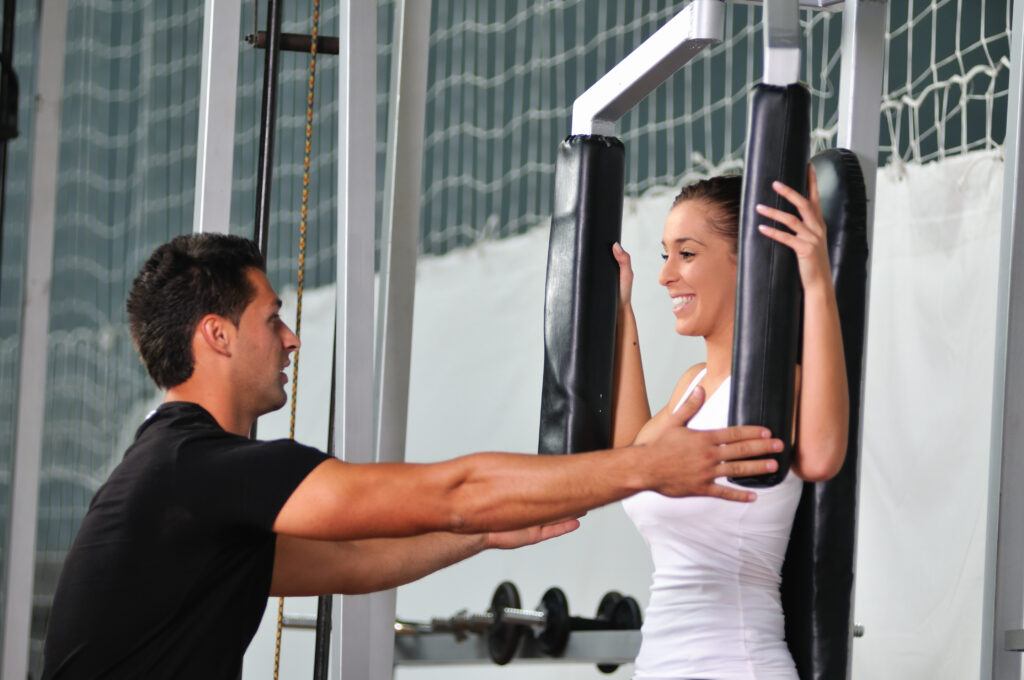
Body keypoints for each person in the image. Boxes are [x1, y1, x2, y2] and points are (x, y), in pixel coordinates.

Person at [41, 232, 787, 679]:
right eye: (273, 320)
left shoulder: (181, 483)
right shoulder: (198, 469)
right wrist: (648, 466)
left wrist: (482, 535)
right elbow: (455, 488)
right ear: (218, 335)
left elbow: (349, 562)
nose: (291, 338)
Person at [611, 170, 849, 679]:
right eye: (664, 255)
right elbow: (625, 462)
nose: (665, 274)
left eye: (687, 254)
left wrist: (814, 273)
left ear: (749, 262)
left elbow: (824, 455)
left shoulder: (780, 386)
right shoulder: (692, 385)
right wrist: (620, 311)